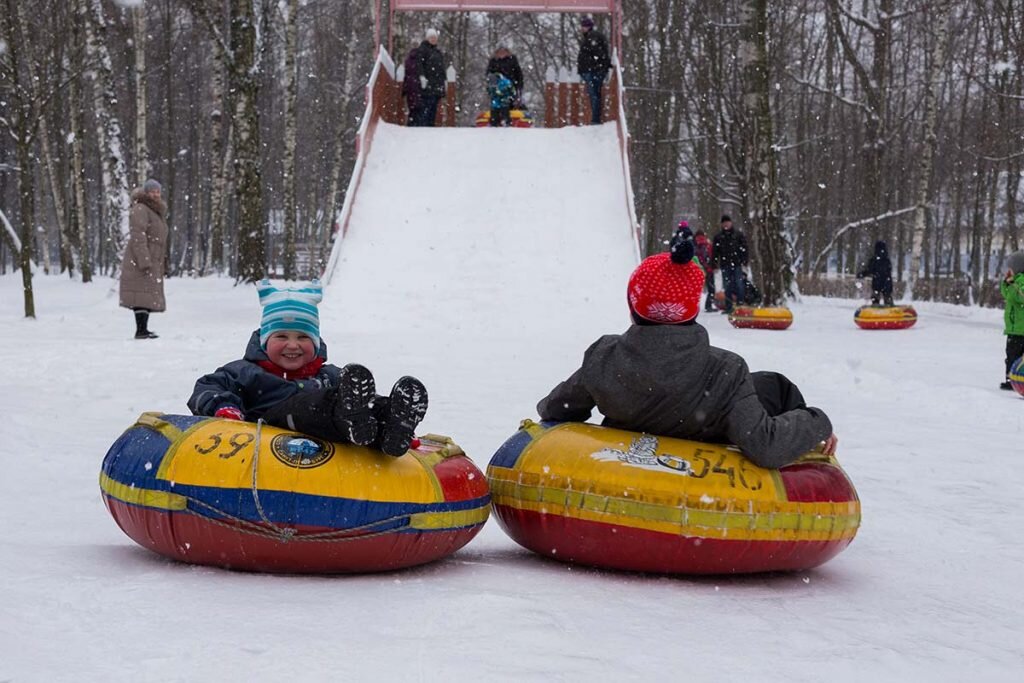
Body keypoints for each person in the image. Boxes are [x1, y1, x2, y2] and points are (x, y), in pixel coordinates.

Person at [536, 231, 837, 469]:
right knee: (776, 387)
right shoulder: (726, 371)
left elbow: (555, 408)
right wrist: (817, 422)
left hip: (636, 437)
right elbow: (765, 445)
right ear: (692, 310)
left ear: (633, 308)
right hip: (704, 442)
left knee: (770, 383)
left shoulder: (604, 357)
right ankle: (807, 433)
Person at [188, 281, 428, 457]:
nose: (293, 345)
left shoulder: (330, 374)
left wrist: (378, 408)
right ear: (264, 341)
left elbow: (361, 399)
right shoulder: (246, 372)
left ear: (315, 342)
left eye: (303, 337)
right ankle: (353, 419)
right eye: (281, 336)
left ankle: (393, 425)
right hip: (274, 429)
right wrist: (224, 406)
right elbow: (208, 387)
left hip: (333, 435)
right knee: (319, 403)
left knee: (359, 402)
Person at [119, 179, 168, 339]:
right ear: (146, 193)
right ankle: (141, 330)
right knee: (140, 293)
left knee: (145, 294)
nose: (156, 194)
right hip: (141, 258)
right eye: (152, 191)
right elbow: (138, 236)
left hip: (152, 257)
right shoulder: (141, 209)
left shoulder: (154, 211)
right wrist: (144, 259)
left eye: (158, 191)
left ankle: (143, 329)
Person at [402, 28, 447, 127]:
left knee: (433, 109)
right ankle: (424, 127)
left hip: (437, 86)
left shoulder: (438, 53)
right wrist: (422, 77)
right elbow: (420, 65)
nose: (433, 39)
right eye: (431, 37)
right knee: (426, 108)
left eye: (435, 37)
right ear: (427, 38)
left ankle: (430, 126)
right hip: (427, 85)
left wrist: (444, 82)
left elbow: (441, 69)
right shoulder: (423, 50)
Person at [711, 214, 748, 314]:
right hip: (725, 264)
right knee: (727, 286)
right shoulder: (718, 237)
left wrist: (744, 261)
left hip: (737, 264)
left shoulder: (738, 235)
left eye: (727, 222)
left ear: (731, 223)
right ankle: (728, 306)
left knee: (739, 284)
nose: (726, 225)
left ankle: (740, 304)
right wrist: (714, 264)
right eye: (724, 223)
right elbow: (715, 252)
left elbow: (744, 249)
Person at [577, 17, 611, 125]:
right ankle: (595, 118)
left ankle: (595, 119)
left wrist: (594, 65)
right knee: (594, 94)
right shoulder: (592, 37)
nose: (582, 28)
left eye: (584, 26)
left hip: (593, 70)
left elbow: (597, 53)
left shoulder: (592, 37)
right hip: (594, 69)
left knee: (594, 94)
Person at [1000, 250, 1024, 390]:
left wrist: (1013, 284)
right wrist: (1006, 283)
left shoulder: (1021, 281)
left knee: (1018, 356)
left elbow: (1019, 297)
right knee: (1011, 356)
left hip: (1022, 328)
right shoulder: (1015, 281)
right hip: (1014, 329)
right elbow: (1006, 295)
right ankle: (1011, 379)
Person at [857, 240, 894, 306]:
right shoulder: (887, 260)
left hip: (877, 282)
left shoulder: (874, 260)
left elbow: (869, 270)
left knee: (875, 298)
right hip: (887, 282)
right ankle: (890, 310)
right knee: (887, 297)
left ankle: (875, 310)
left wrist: (862, 274)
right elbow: (888, 270)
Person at [694, 228, 716, 312]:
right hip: (707, 269)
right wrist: (708, 267)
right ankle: (708, 305)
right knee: (711, 288)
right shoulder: (706, 245)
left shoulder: (696, 245)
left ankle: (705, 305)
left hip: (700, 269)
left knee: (701, 289)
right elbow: (708, 257)